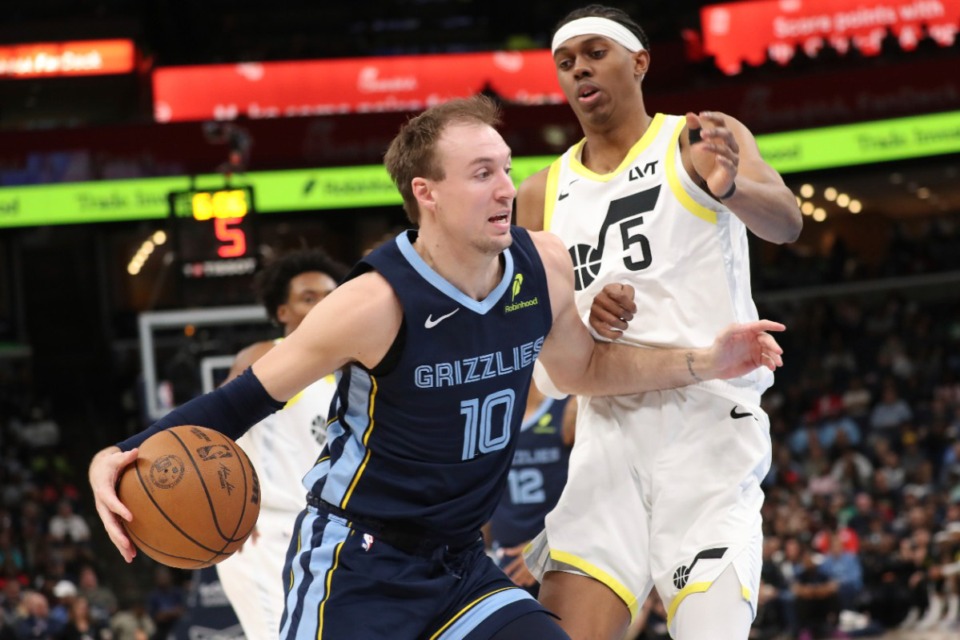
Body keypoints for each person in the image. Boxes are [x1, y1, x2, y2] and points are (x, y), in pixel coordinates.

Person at [89, 95, 785, 640]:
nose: (507, 188)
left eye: (507, 168)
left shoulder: (541, 264)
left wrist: (703, 361)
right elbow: (242, 401)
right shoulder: (373, 303)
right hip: (358, 565)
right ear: (427, 193)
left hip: (458, 564)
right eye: (483, 174)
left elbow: (583, 374)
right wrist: (121, 453)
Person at [515, 5, 802, 640]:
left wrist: (735, 193)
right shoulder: (539, 192)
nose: (579, 69)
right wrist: (587, 317)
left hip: (707, 423)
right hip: (605, 433)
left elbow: (785, 222)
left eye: (595, 52)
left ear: (639, 61)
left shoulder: (697, 139)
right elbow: (545, 339)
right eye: (566, 62)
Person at [213, 247, 348, 640]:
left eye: (330, 296)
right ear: (281, 313)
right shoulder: (266, 356)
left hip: (329, 533)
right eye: (309, 298)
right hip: (269, 530)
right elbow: (216, 433)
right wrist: (228, 505)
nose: (323, 306)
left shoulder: (353, 372)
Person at [485, 381, 576, 597]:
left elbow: (597, 494)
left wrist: (547, 546)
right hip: (506, 560)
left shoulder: (570, 408)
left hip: (562, 555)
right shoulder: (486, 414)